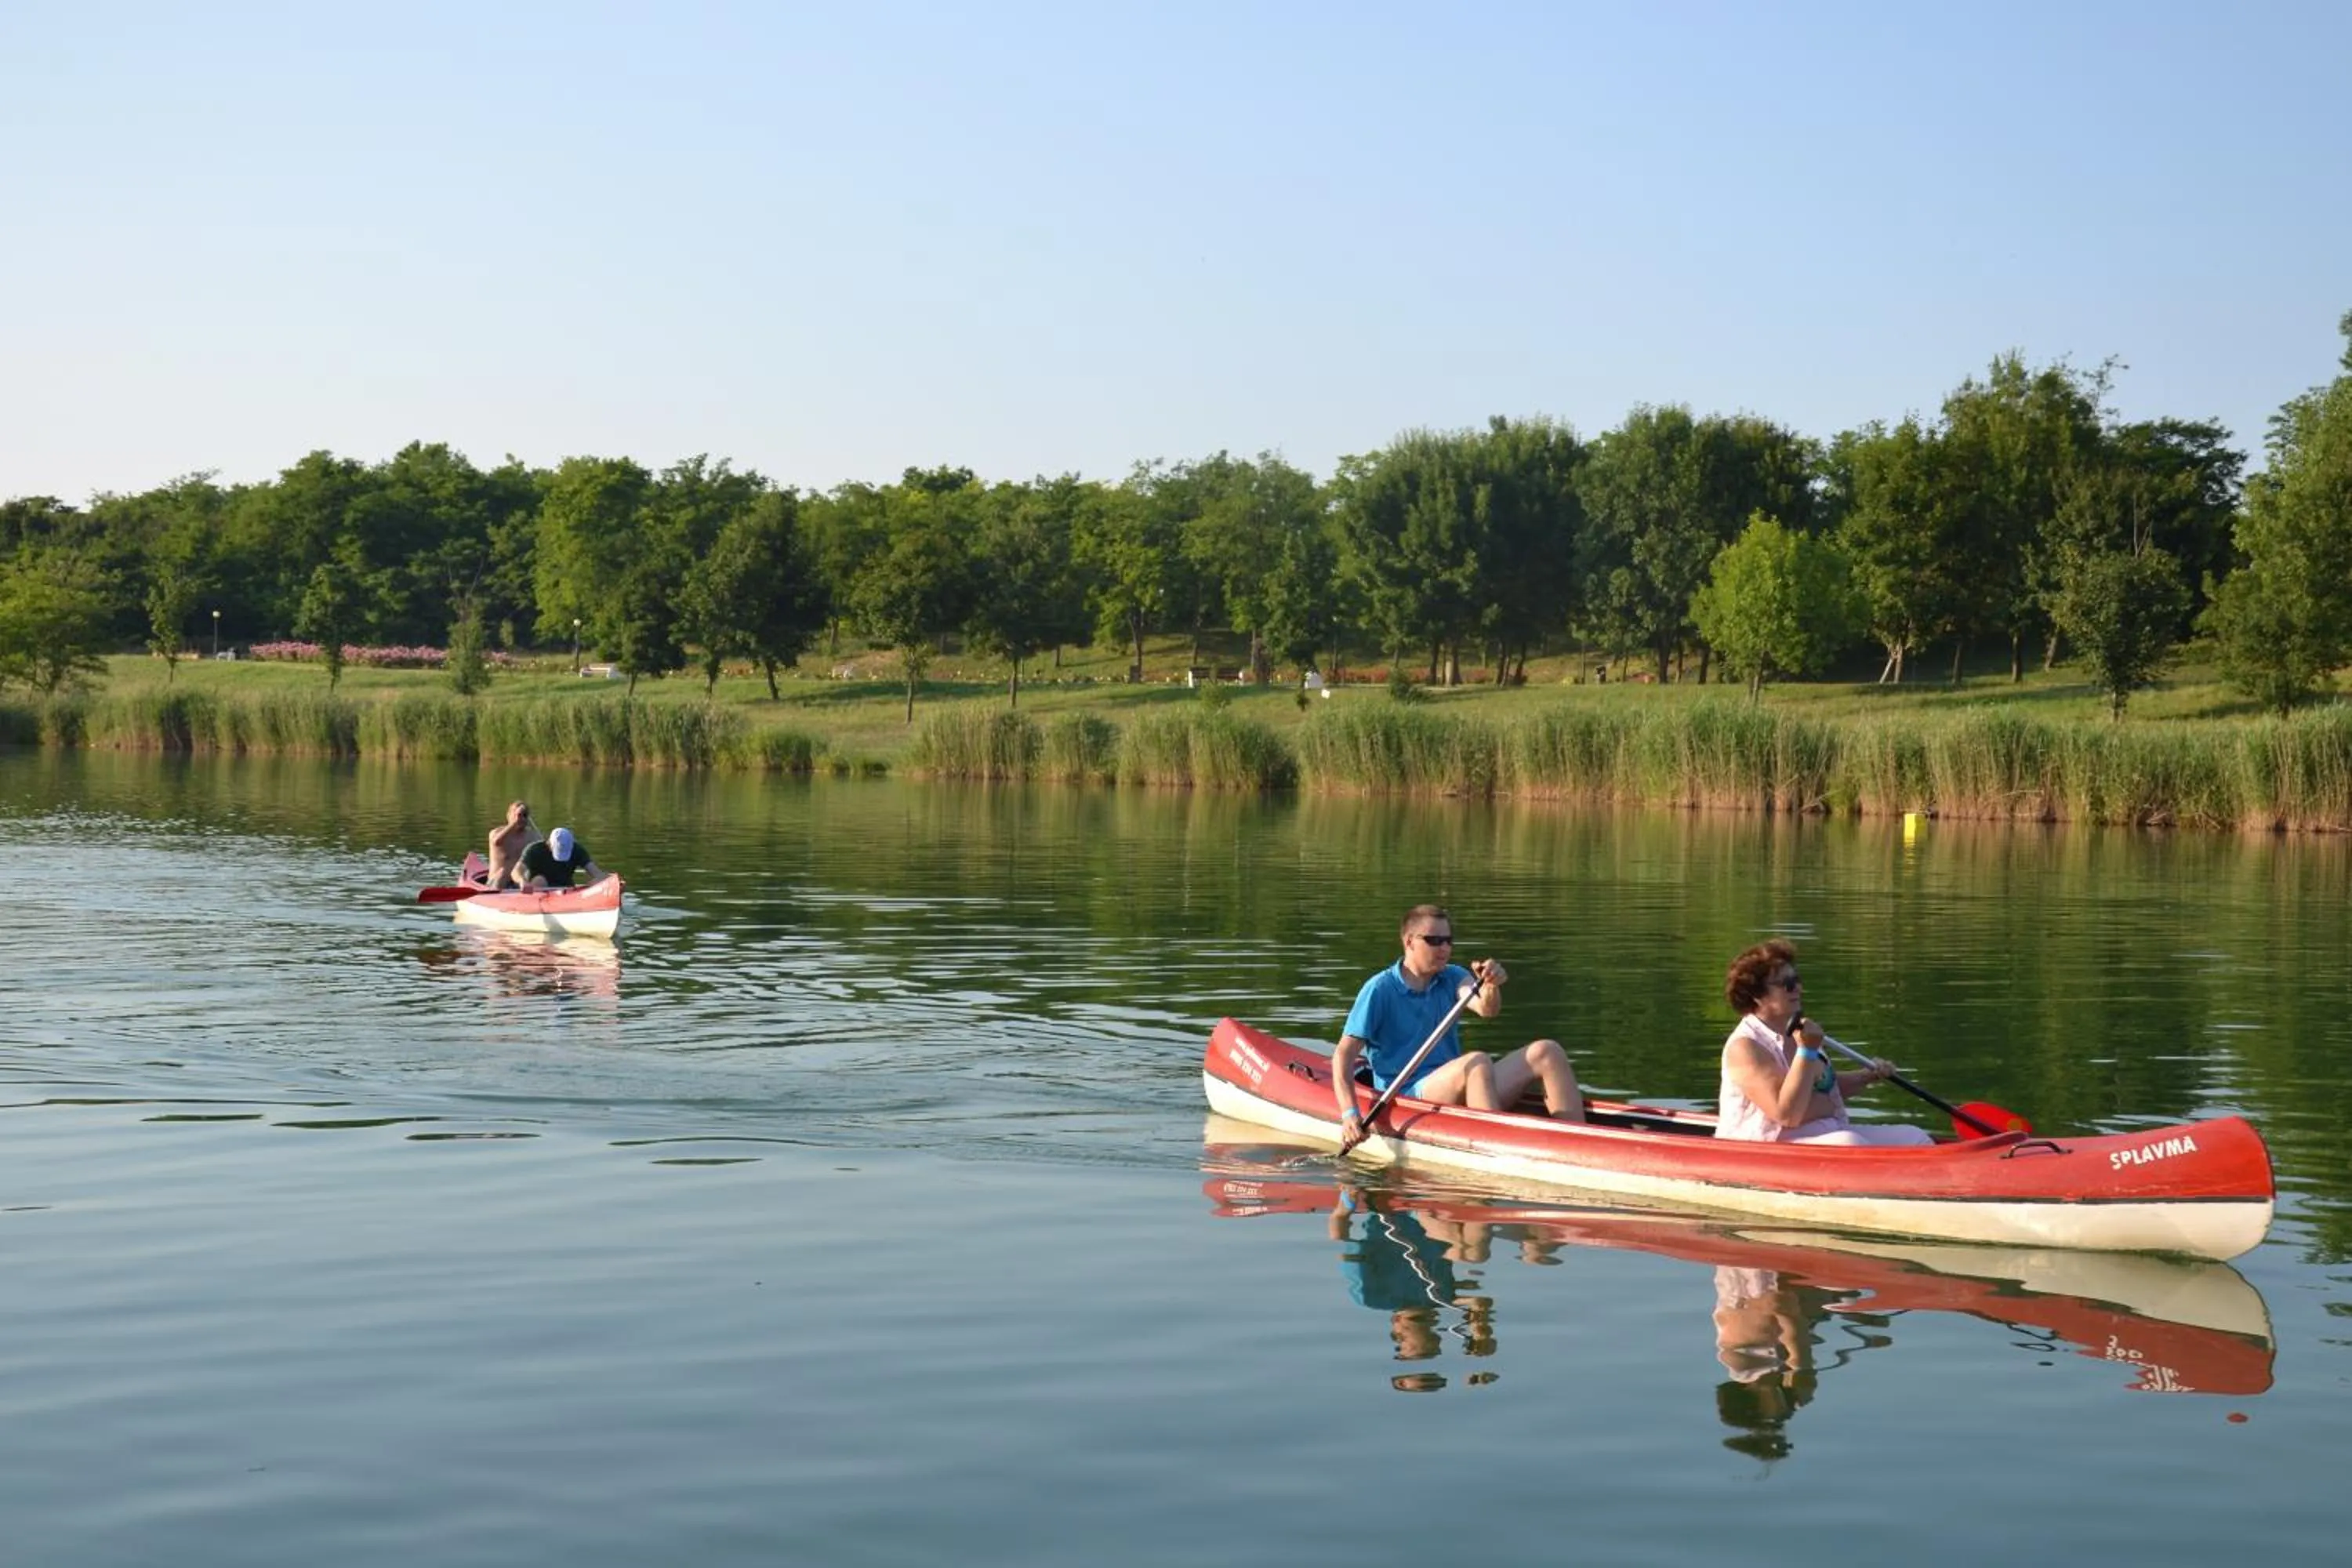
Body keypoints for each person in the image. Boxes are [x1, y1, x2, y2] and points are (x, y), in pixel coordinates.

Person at [1332, 904, 1583, 1152]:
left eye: (1448, 941)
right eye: (1434, 941)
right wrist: (1350, 1113)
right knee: (1477, 1062)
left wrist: (1490, 986)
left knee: (1547, 1052)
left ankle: (1578, 1144)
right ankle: (1497, 1151)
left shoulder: (1452, 976)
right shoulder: (1379, 990)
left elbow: (1487, 1009)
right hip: (1407, 1092)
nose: (1444, 949)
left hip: (1458, 1083)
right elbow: (1343, 1055)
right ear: (1409, 942)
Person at [1715, 940, 1933, 1145]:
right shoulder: (1745, 1048)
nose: (1798, 989)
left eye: (1797, 980)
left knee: (1915, 1137)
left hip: (1821, 1131)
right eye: (1788, 985)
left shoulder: (1800, 1030)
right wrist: (1807, 1052)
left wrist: (1867, 1077)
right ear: (1757, 995)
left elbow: (1824, 1087)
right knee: (1850, 1144)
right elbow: (1787, 1114)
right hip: (1763, 1148)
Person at [517, 826, 608, 891]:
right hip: (539, 888)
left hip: (565, 888)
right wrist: (522, 881)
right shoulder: (534, 850)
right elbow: (516, 871)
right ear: (549, 844)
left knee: (599, 881)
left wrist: (608, 882)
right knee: (540, 880)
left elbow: (597, 873)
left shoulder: (577, 850)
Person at [483, 800, 540, 890]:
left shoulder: (532, 836)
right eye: (516, 814)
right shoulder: (496, 833)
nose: (520, 818)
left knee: (539, 879)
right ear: (508, 816)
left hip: (519, 882)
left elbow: (545, 847)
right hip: (497, 882)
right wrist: (514, 823)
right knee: (502, 873)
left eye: (524, 815)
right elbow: (497, 842)